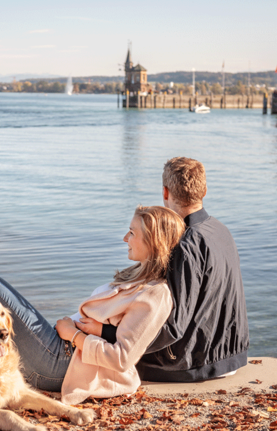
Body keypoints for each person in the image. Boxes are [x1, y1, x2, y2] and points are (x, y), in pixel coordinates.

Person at [0, 206, 185, 405]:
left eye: (132, 233)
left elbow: (122, 357)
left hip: (65, 363)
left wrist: (75, 335)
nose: (124, 238)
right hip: (62, 350)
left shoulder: (156, 296)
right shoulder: (138, 276)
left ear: (153, 242)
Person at [77, 157, 249, 381]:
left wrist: (105, 333)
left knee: (91, 347)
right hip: (231, 353)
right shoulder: (220, 230)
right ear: (204, 191)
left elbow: (174, 326)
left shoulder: (186, 245)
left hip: (197, 362)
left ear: (165, 193)